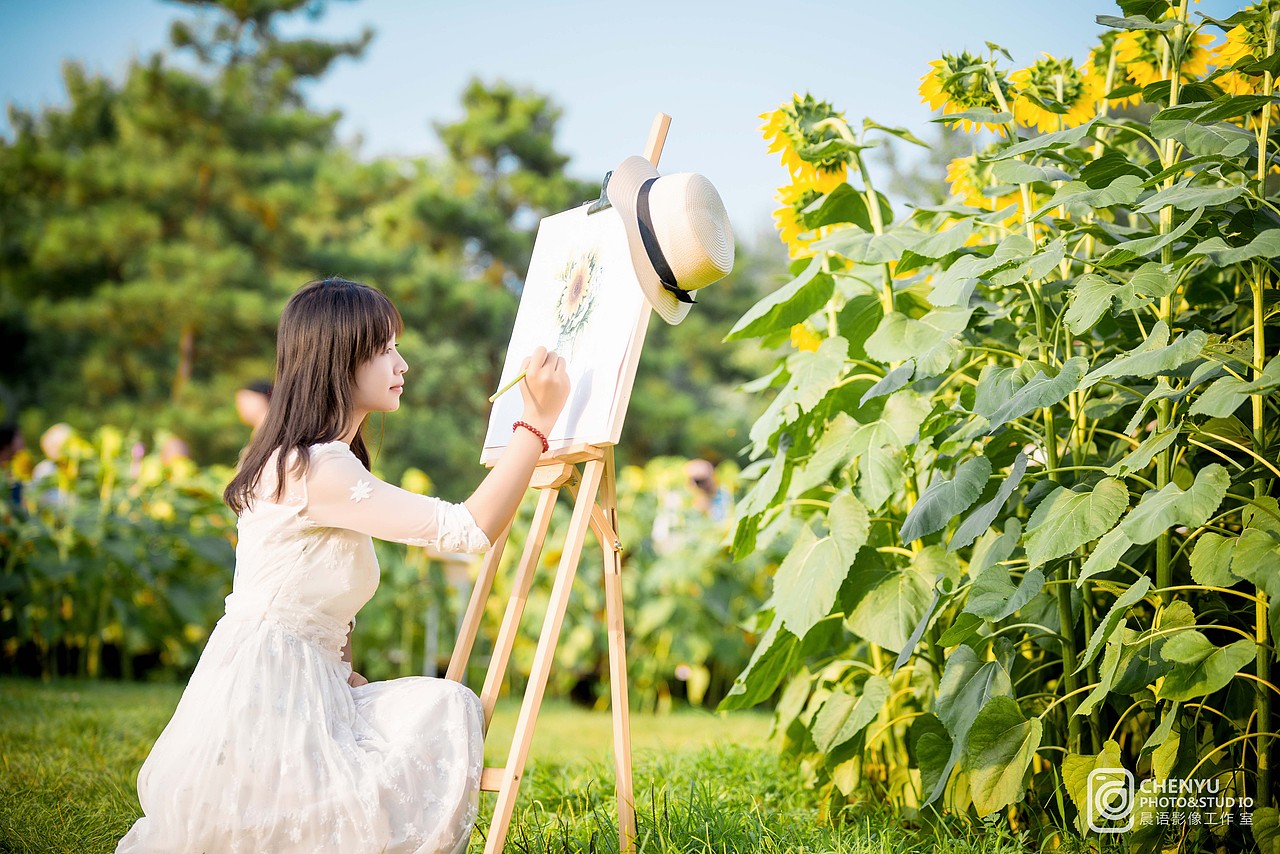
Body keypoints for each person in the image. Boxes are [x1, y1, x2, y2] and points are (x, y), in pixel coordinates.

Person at [117, 277, 569, 854]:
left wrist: (341, 671)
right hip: (269, 695)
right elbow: (469, 528)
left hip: (297, 682)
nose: (401, 363)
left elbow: (312, 597)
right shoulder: (315, 468)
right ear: (340, 358)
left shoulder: (308, 459)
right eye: (384, 349)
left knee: (431, 709)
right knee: (444, 712)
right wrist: (535, 424)